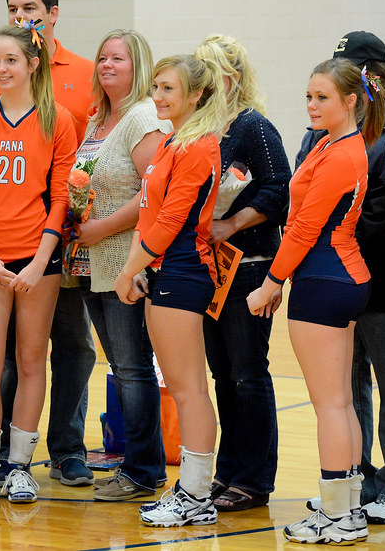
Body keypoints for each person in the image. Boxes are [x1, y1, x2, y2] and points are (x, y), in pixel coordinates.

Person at [0, 0, 97, 486]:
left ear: (32, 64)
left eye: (10, 59)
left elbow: (61, 198)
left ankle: (19, 467)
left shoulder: (58, 121)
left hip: (41, 258)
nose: (0, 68)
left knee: (32, 361)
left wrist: (40, 261)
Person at [248, 59, 383, 545]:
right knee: (341, 401)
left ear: (351, 101)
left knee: (330, 404)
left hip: (325, 278)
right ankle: (346, 510)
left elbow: (305, 227)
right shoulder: (333, 144)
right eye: (309, 96)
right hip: (336, 276)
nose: (311, 105)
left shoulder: (343, 153)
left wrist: (270, 281)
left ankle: (339, 516)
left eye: (322, 97)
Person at [294, 32, 385, 524]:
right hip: (333, 283)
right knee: (344, 391)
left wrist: (338, 227)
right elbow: (304, 198)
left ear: (375, 77)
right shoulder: (318, 129)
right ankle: (353, 483)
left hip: (384, 279)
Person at [115, 54, 227, 527]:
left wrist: (127, 271)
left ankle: (196, 493)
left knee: (188, 389)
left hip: (184, 271)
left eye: (167, 89)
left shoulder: (198, 145)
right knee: (183, 387)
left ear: (196, 95)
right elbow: (149, 215)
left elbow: (170, 222)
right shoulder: (170, 142)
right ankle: (191, 491)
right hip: (164, 270)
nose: (157, 97)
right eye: (156, 87)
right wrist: (139, 267)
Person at [70, 29, 169, 501]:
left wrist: (104, 226)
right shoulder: (96, 121)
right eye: (102, 57)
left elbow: (155, 195)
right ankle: (140, 464)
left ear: (139, 67)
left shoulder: (143, 117)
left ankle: (144, 470)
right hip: (92, 261)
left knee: (133, 370)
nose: (107, 65)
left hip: (127, 259)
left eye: (119, 59)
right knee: (122, 367)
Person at [194, 35, 290, 512]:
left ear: (230, 78)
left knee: (249, 375)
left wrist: (230, 222)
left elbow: (278, 191)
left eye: (208, 73)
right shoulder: (203, 127)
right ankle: (228, 471)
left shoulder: (254, 127)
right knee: (223, 374)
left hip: (250, 269)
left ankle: (253, 480)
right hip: (212, 270)